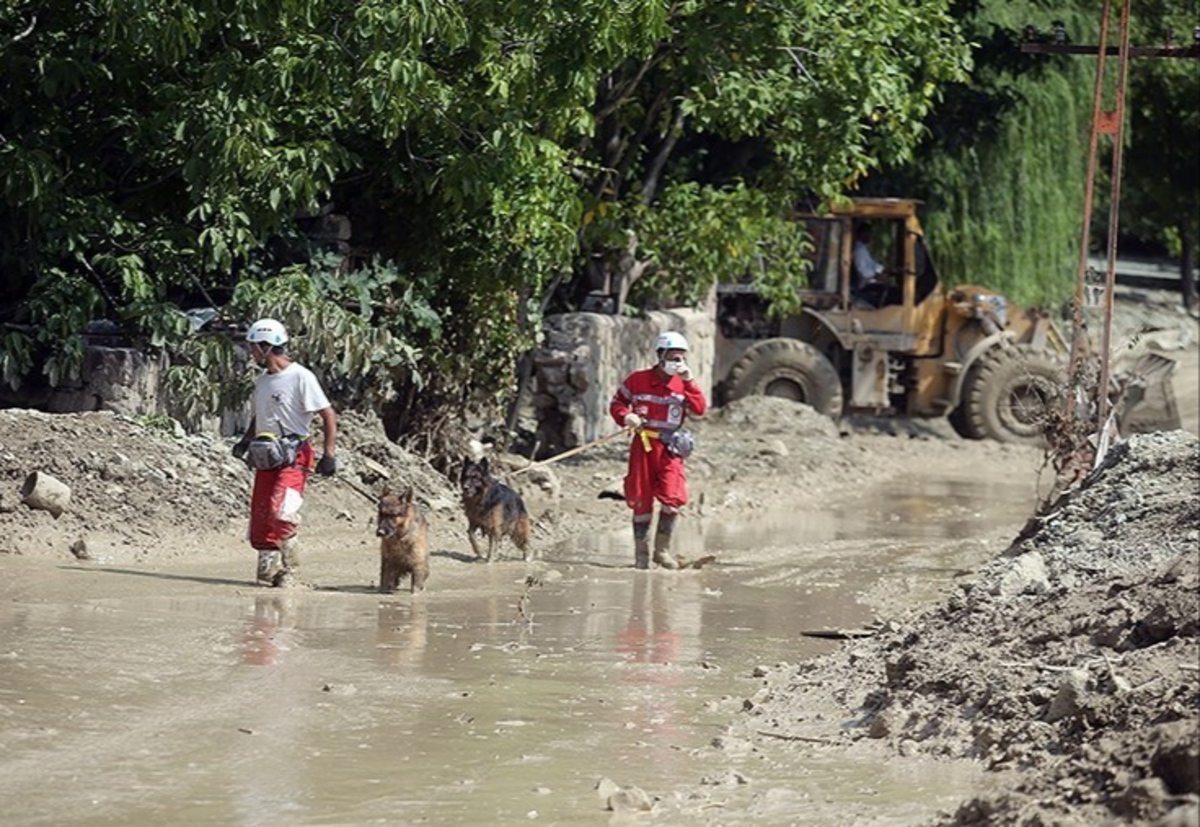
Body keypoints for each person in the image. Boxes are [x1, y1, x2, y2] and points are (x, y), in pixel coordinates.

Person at [232, 318, 337, 587]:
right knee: (262, 514)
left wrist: (329, 454)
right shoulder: (263, 381)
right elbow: (261, 416)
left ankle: (292, 572)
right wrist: (245, 441)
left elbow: (327, 414)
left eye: (254, 347)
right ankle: (268, 571)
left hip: (295, 455)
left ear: (267, 346)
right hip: (266, 454)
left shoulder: (301, 376)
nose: (252, 353)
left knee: (282, 512)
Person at [609, 330, 707, 570]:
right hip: (643, 446)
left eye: (681, 357)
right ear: (660, 355)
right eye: (673, 357)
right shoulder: (638, 380)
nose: (678, 362)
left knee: (672, 497)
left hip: (670, 448)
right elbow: (617, 403)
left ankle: (662, 551)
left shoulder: (684, 383)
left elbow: (700, 409)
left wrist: (690, 382)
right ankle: (641, 557)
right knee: (641, 498)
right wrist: (627, 416)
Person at [852, 222, 886, 289]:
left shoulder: (864, 249)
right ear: (862, 234)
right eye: (869, 234)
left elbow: (872, 264)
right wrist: (876, 276)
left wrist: (882, 269)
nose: (871, 237)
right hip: (866, 286)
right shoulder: (859, 251)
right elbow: (862, 271)